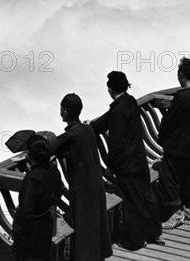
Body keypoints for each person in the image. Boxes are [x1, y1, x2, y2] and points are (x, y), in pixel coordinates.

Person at [90, 71, 164, 250]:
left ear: (110, 89)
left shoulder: (118, 111)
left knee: (132, 204)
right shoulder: (129, 102)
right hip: (139, 160)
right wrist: (92, 125)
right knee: (147, 198)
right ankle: (154, 233)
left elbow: (116, 144)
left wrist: (111, 167)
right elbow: (106, 120)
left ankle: (136, 240)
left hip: (127, 166)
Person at [52, 93, 113, 261]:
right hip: (97, 185)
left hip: (83, 190)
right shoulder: (87, 129)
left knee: (86, 231)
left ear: (64, 112)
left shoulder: (71, 135)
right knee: (96, 226)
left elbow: (52, 147)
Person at [158, 59, 190, 229]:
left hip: (177, 143)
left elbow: (170, 120)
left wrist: (162, 137)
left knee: (168, 175)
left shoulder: (182, 96)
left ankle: (175, 211)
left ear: (182, 75)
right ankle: (189, 208)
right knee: (187, 175)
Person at [12, 134, 63, 261]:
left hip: (32, 231)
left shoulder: (31, 178)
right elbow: (58, 192)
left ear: (28, 154)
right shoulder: (53, 169)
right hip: (46, 222)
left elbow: (24, 211)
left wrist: (17, 232)